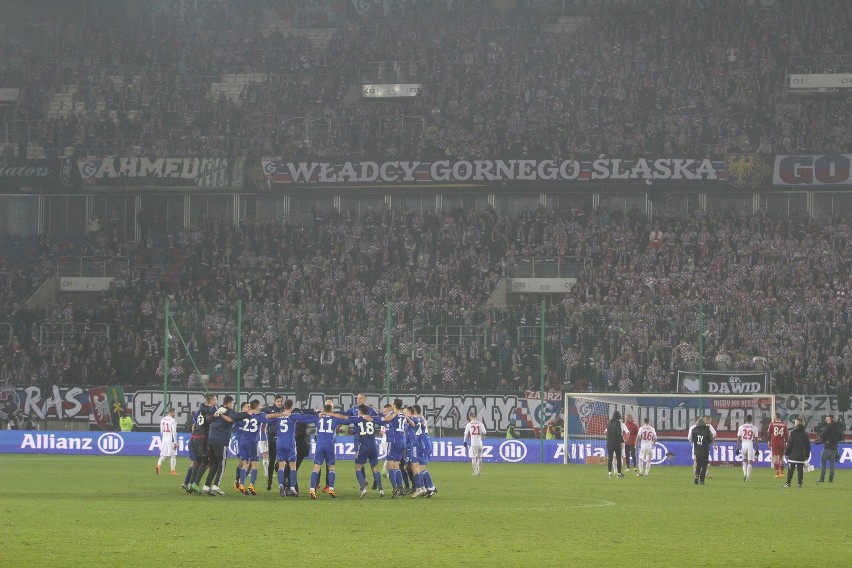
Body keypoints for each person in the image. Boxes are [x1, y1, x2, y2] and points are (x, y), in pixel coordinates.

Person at [300, 403, 356, 499]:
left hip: (320, 445)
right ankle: (331, 488)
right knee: (331, 468)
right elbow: (348, 420)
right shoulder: (334, 418)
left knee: (316, 468)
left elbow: (304, 418)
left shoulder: (318, 417)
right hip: (329, 445)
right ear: (331, 410)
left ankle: (312, 489)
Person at [204, 396, 247, 496]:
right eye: (232, 404)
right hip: (221, 441)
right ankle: (216, 486)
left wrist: (218, 414)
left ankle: (206, 486)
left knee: (213, 464)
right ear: (228, 403)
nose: (233, 406)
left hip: (211, 440)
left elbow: (208, 419)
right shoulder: (228, 410)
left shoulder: (217, 409)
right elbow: (235, 417)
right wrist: (247, 413)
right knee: (221, 465)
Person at [188, 394, 218, 493]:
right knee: (205, 462)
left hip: (194, 437)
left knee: (198, 462)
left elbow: (195, 420)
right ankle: (195, 484)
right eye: (215, 399)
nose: (216, 401)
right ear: (211, 401)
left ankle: (190, 484)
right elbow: (211, 414)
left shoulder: (200, 410)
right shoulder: (210, 410)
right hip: (202, 438)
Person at [263, 395, 284, 490]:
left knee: (282, 461)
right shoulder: (270, 409)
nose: (280, 403)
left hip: (282, 439)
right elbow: (262, 411)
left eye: (281, 401)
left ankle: (283, 482)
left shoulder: (284, 410)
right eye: (278, 401)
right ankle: (270, 481)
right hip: (272, 439)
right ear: (275, 402)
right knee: (272, 461)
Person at [784, 419, 811, 488]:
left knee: (790, 470)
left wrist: (786, 452)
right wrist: (807, 455)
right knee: (800, 470)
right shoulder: (805, 434)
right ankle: (799, 484)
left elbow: (789, 444)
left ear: (796, 424)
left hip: (793, 455)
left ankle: (788, 483)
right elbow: (808, 446)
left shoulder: (792, 433)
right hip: (801, 455)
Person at [816, 415, 842, 483]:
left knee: (823, 463)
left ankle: (822, 478)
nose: (826, 421)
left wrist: (822, 439)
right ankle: (831, 479)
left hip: (827, 447)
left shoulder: (827, 427)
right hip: (834, 448)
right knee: (832, 464)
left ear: (831, 420)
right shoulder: (837, 427)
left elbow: (823, 435)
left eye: (828, 419)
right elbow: (840, 437)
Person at [604, 411, 629, 478]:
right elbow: (619, 433)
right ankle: (619, 474)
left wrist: (609, 437)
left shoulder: (608, 422)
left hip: (609, 443)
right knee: (618, 458)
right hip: (616, 443)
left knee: (610, 458)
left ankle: (610, 473)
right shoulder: (618, 423)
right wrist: (622, 441)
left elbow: (605, 433)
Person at [691, 416, 714, 485]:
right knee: (704, 466)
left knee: (698, 464)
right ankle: (702, 480)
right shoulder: (707, 430)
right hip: (704, 450)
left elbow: (692, 439)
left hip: (697, 450)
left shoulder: (694, 430)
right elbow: (710, 440)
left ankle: (696, 477)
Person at [737, 414, 760, 482]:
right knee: (750, 462)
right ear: (751, 419)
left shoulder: (741, 427)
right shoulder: (754, 428)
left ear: (745, 419)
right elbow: (756, 440)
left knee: (744, 460)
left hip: (743, 444)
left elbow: (738, 438)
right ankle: (748, 478)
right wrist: (756, 449)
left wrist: (737, 448)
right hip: (750, 444)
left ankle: (744, 474)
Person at [463, 411, 487, 476]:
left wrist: (464, 441)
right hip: (479, 443)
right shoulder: (480, 423)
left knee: (473, 458)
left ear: (470, 417)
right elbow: (484, 432)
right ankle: (479, 471)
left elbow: (466, 434)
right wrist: (480, 433)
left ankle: (475, 472)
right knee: (479, 458)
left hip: (473, 443)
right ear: (476, 417)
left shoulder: (469, 424)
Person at [156, 407, 178, 476]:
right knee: (173, 455)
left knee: (163, 454)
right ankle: (172, 471)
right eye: (175, 412)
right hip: (170, 439)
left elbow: (161, 430)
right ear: (172, 412)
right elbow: (174, 432)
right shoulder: (173, 420)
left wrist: (163, 437)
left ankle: (158, 465)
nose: (175, 414)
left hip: (164, 439)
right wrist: (175, 442)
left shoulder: (162, 419)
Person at [767, 412, 789, 478]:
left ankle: (777, 473)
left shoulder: (772, 424)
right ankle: (782, 473)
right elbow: (787, 435)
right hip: (782, 443)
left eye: (774, 416)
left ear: (776, 417)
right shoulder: (784, 425)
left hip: (775, 443)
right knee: (781, 458)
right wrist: (786, 442)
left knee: (776, 458)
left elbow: (769, 434)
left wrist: (769, 441)